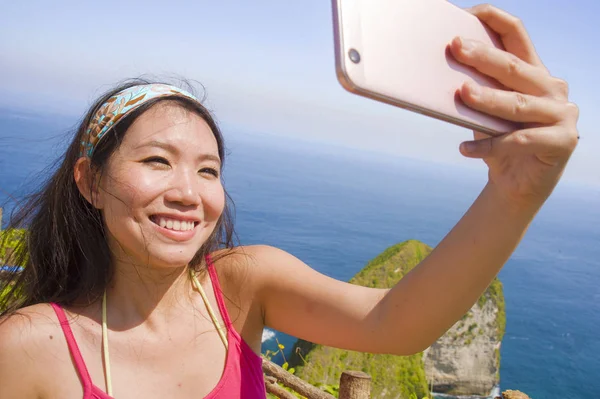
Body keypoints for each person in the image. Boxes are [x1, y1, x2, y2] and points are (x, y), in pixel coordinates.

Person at [0, 4, 579, 399]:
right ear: (90, 182)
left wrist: (515, 194)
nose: (188, 192)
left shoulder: (241, 285)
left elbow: (398, 324)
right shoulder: (30, 346)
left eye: (209, 170)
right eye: (157, 160)